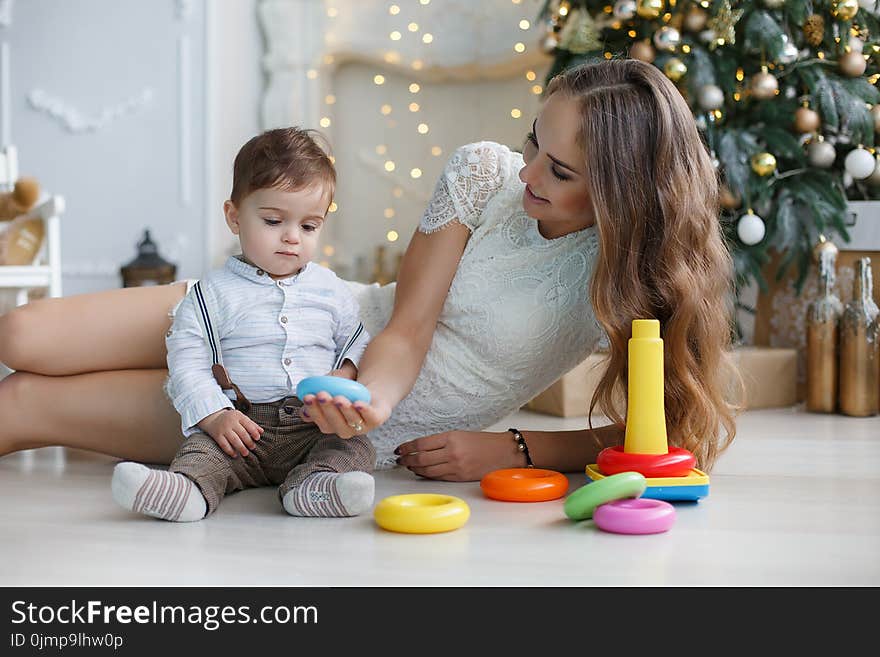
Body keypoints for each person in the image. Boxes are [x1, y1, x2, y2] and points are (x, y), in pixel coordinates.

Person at [0, 59, 740, 484]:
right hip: (327, 323)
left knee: (22, 407)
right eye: (535, 142)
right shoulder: (485, 174)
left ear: (623, 191)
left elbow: (674, 434)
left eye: (563, 169)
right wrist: (366, 393)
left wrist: (519, 447)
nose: (531, 173)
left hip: (294, 421)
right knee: (23, 334)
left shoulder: (635, 277)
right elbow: (408, 327)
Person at [110, 127, 374, 522]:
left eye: (308, 226)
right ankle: (187, 492)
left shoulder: (329, 289)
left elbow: (356, 340)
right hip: (240, 426)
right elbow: (187, 360)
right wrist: (214, 415)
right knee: (203, 453)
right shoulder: (211, 293)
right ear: (234, 217)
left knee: (354, 447)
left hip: (311, 425)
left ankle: (312, 488)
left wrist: (346, 372)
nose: (291, 238)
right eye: (272, 220)